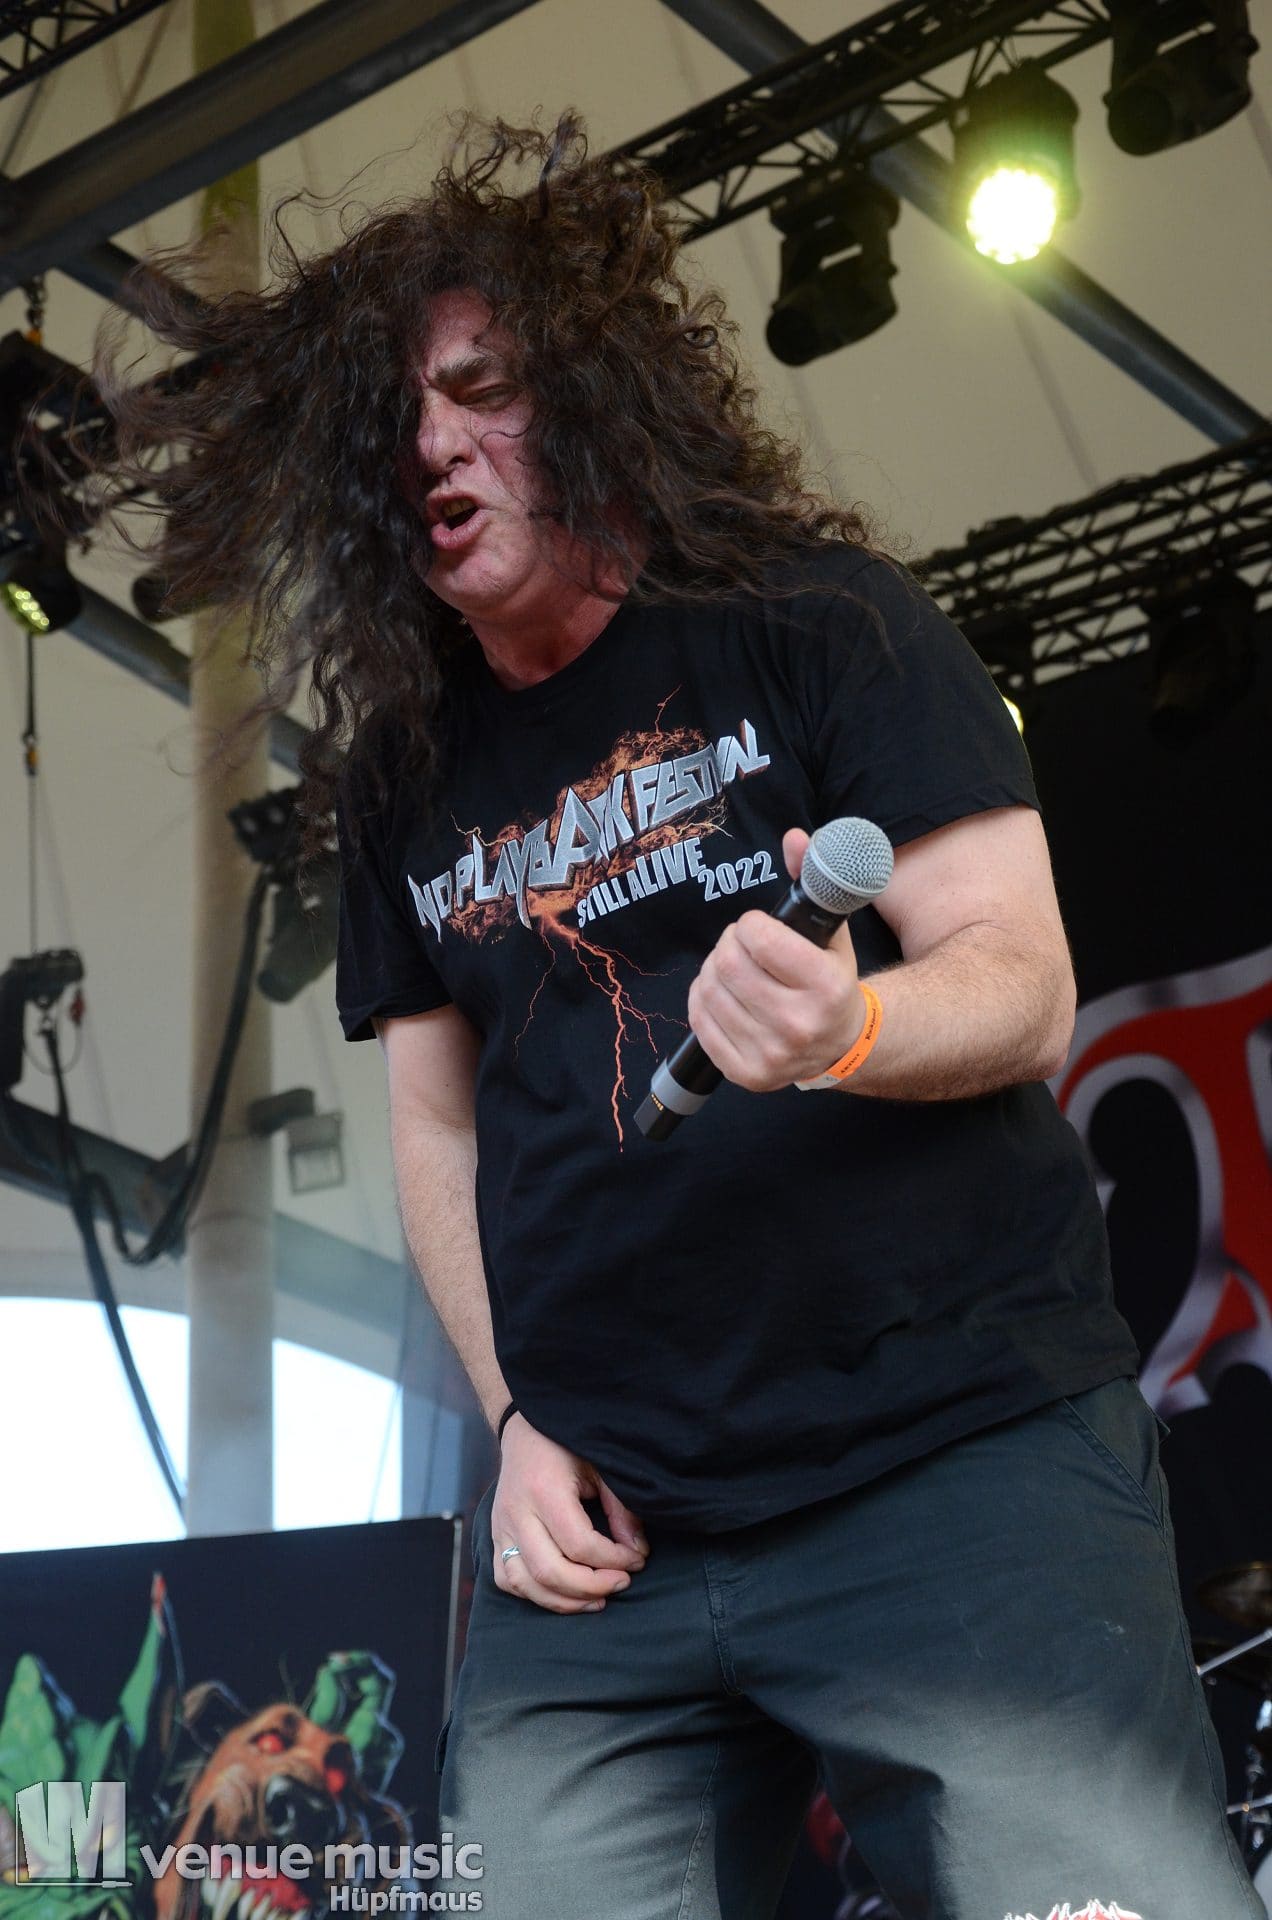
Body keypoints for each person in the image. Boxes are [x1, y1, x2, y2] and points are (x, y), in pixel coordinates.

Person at [105, 114, 1262, 1920]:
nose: (432, 446)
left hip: (953, 1465)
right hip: (617, 1541)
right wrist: (517, 1417)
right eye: (393, 422)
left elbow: (1023, 983)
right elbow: (437, 1130)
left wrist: (846, 1030)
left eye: (481, 391)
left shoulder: (821, 624)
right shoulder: (404, 773)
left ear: (590, 398)